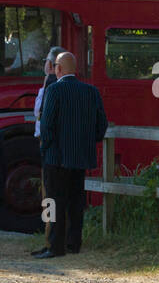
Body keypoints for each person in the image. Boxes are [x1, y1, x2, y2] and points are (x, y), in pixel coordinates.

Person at [35, 53, 106, 259]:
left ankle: (53, 245)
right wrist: (88, 143)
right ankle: (73, 243)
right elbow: (102, 124)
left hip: (55, 157)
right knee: (76, 202)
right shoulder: (91, 91)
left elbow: (47, 125)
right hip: (80, 157)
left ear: (58, 69)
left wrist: (45, 149)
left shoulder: (54, 90)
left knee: (52, 202)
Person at [30, 47, 61, 257]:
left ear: (50, 65)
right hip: (50, 145)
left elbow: (41, 116)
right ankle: (50, 238)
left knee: (50, 194)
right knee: (50, 194)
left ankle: (51, 240)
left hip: (49, 146)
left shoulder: (51, 86)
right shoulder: (50, 85)